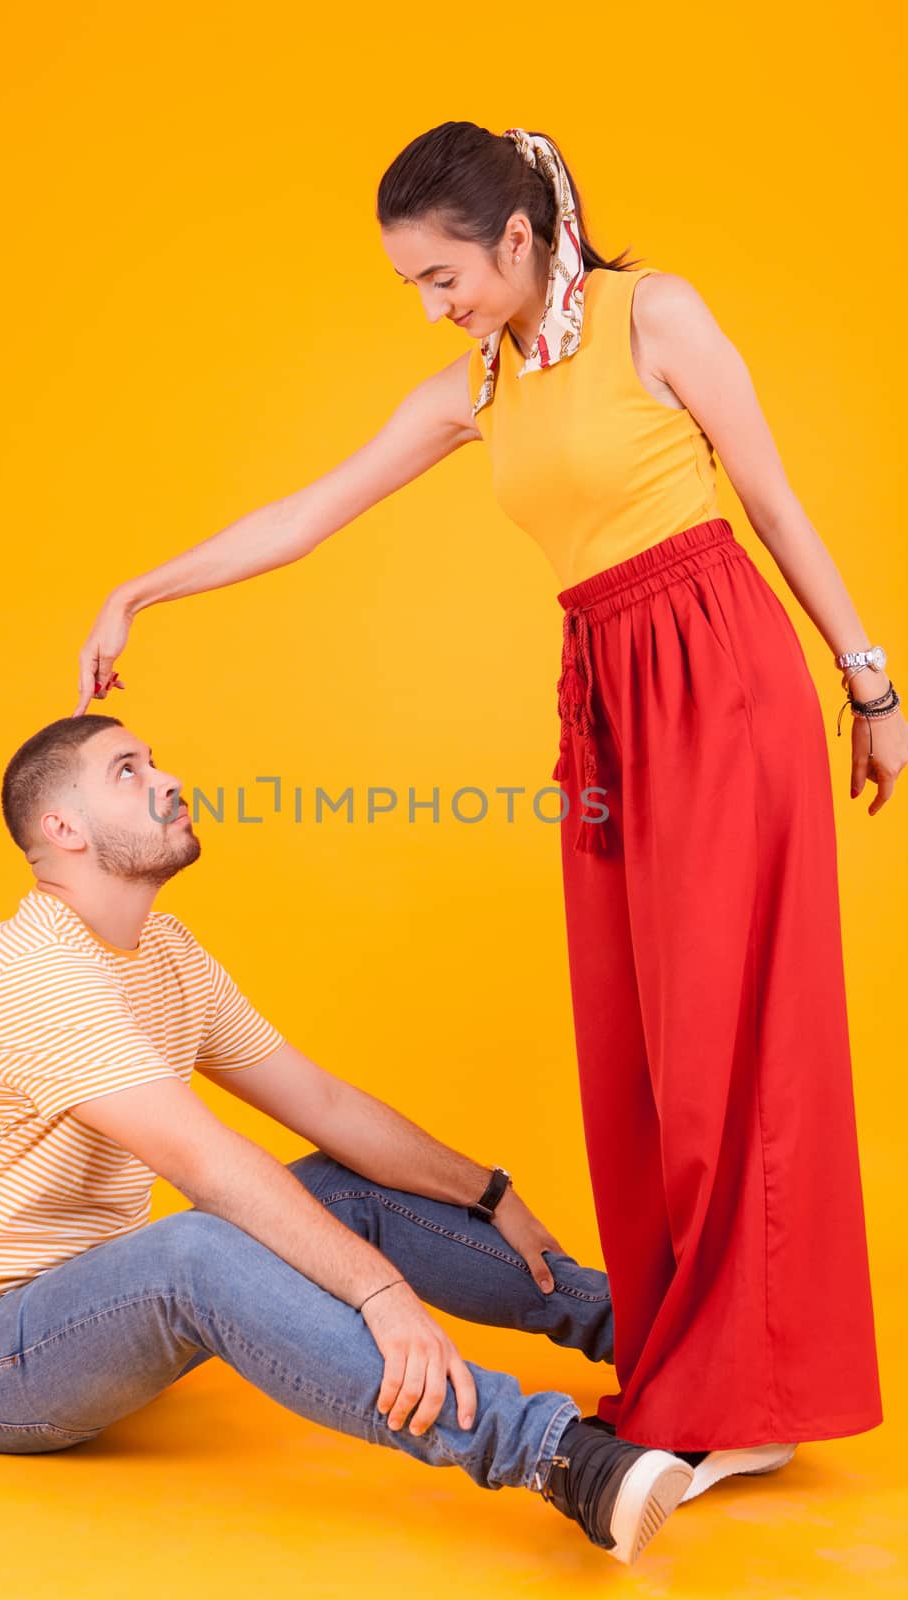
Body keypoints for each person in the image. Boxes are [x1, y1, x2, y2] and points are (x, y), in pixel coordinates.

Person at [69, 123, 900, 1466]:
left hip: (721, 680)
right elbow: (306, 511)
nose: (430, 303)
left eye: (440, 274)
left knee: (724, 1042)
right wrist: (139, 588)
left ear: (515, 237)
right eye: (412, 283)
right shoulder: (478, 387)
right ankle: (697, 1365)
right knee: (635, 1046)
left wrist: (869, 691)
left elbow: (769, 503)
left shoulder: (653, 315)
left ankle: (749, 1398)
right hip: (608, 703)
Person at [0, 714, 705, 1568]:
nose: (168, 781)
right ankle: (553, 1456)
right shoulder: (37, 977)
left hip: (96, 1306)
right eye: (128, 771)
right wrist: (380, 1293)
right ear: (62, 828)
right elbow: (201, 1162)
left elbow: (323, 1104)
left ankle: (669, 1341)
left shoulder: (163, 951)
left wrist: (487, 1191)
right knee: (193, 1252)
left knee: (339, 1188)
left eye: (157, 761)